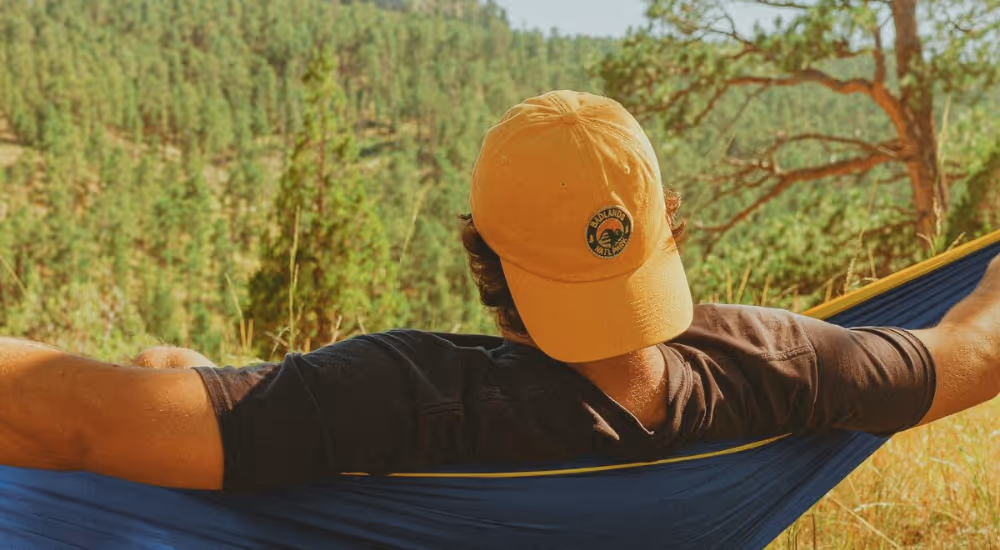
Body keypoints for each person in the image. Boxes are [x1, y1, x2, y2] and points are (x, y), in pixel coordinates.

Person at [0, 90, 997, 492]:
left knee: (162, 368)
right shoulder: (774, 364)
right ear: (664, 228)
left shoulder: (400, 394)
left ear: (482, 256)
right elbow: (973, 352)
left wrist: (197, 383)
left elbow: (67, 422)